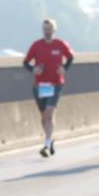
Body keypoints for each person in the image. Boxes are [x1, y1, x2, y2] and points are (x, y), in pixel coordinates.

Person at [22, 19, 74, 157]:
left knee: (50, 113)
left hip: (55, 83)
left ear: (54, 30)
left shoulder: (60, 44)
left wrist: (65, 68)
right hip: (41, 85)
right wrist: (34, 69)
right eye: (45, 29)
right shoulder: (37, 45)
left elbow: (70, 57)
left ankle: (45, 145)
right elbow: (26, 62)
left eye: (49, 29)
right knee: (44, 117)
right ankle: (50, 140)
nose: (47, 31)